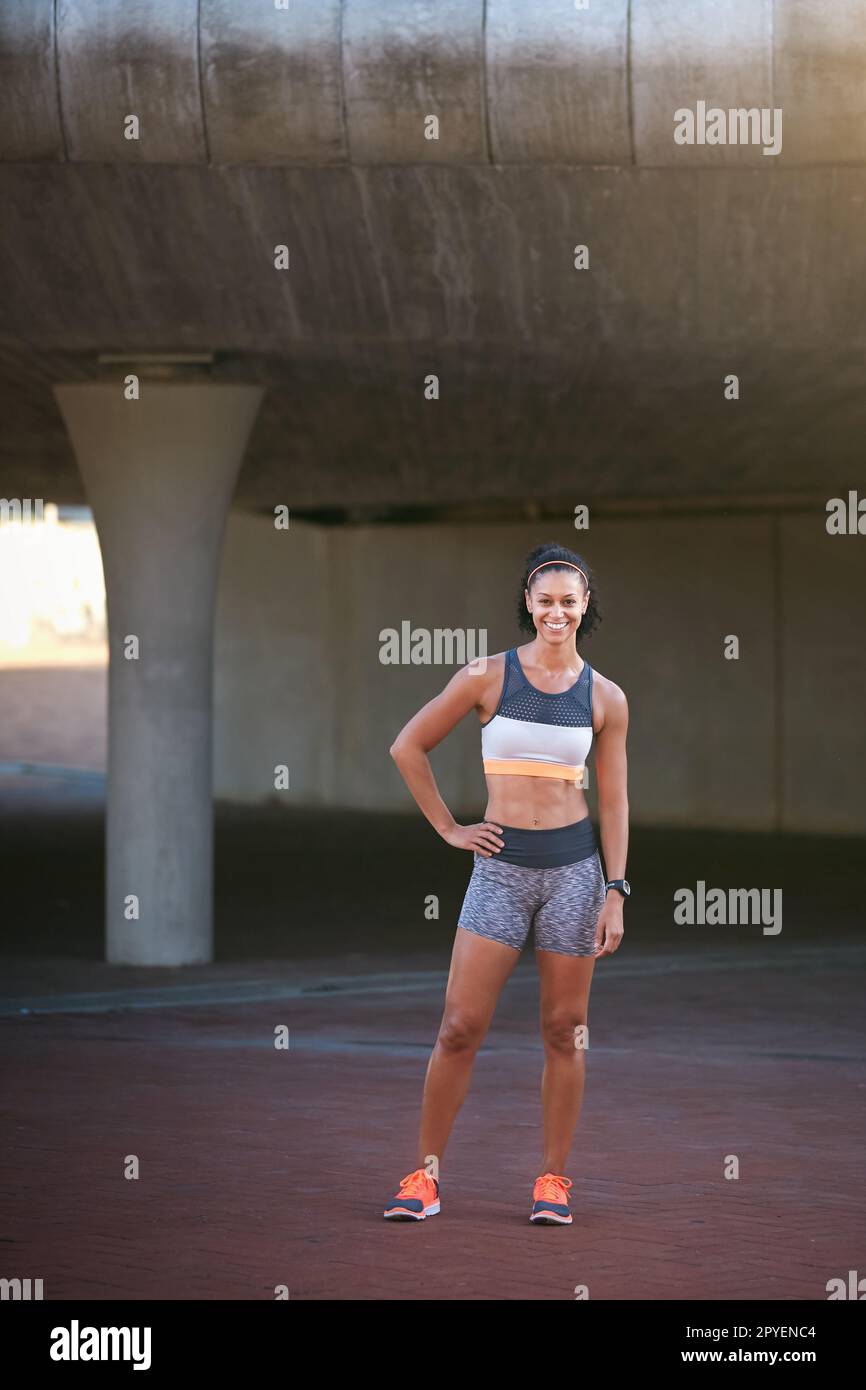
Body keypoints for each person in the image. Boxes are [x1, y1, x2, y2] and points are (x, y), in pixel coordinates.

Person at [384, 542, 629, 1225]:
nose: (556, 612)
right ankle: (424, 1177)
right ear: (528, 603)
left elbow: (614, 802)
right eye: (544, 600)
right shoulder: (486, 677)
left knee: (564, 1029)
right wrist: (449, 829)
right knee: (460, 1027)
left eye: (568, 601)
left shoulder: (605, 697)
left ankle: (553, 1181)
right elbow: (407, 746)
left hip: (576, 876)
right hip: (499, 873)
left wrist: (616, 889)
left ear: (584, 608)